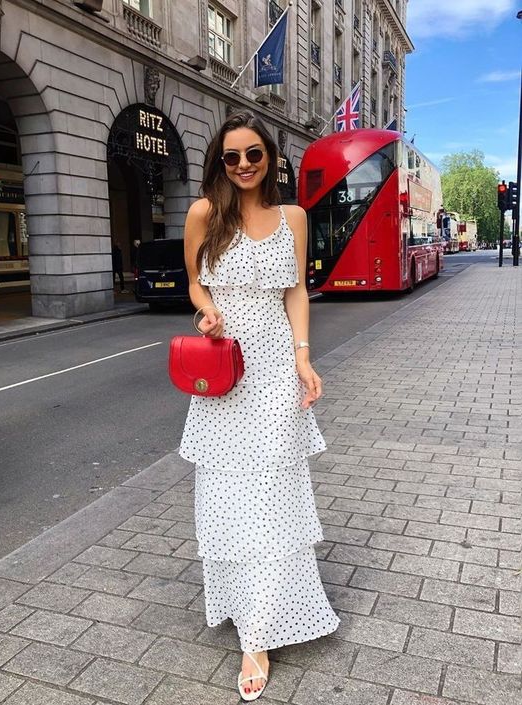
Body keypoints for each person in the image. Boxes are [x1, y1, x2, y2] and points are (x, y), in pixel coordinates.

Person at [179, 110, 339, 702]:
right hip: (223, 374)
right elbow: (194, 278)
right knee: (227, 495)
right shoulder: (204, 213)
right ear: (219, 163)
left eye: (254, 154)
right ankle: (245, 607)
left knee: (272, 495)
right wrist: (205, 308)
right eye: (232, 157)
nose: (243, 165)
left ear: (271, 158)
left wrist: (303, 357)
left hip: (273, 370)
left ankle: (261, 631)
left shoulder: (293, 217)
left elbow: (295, 289)